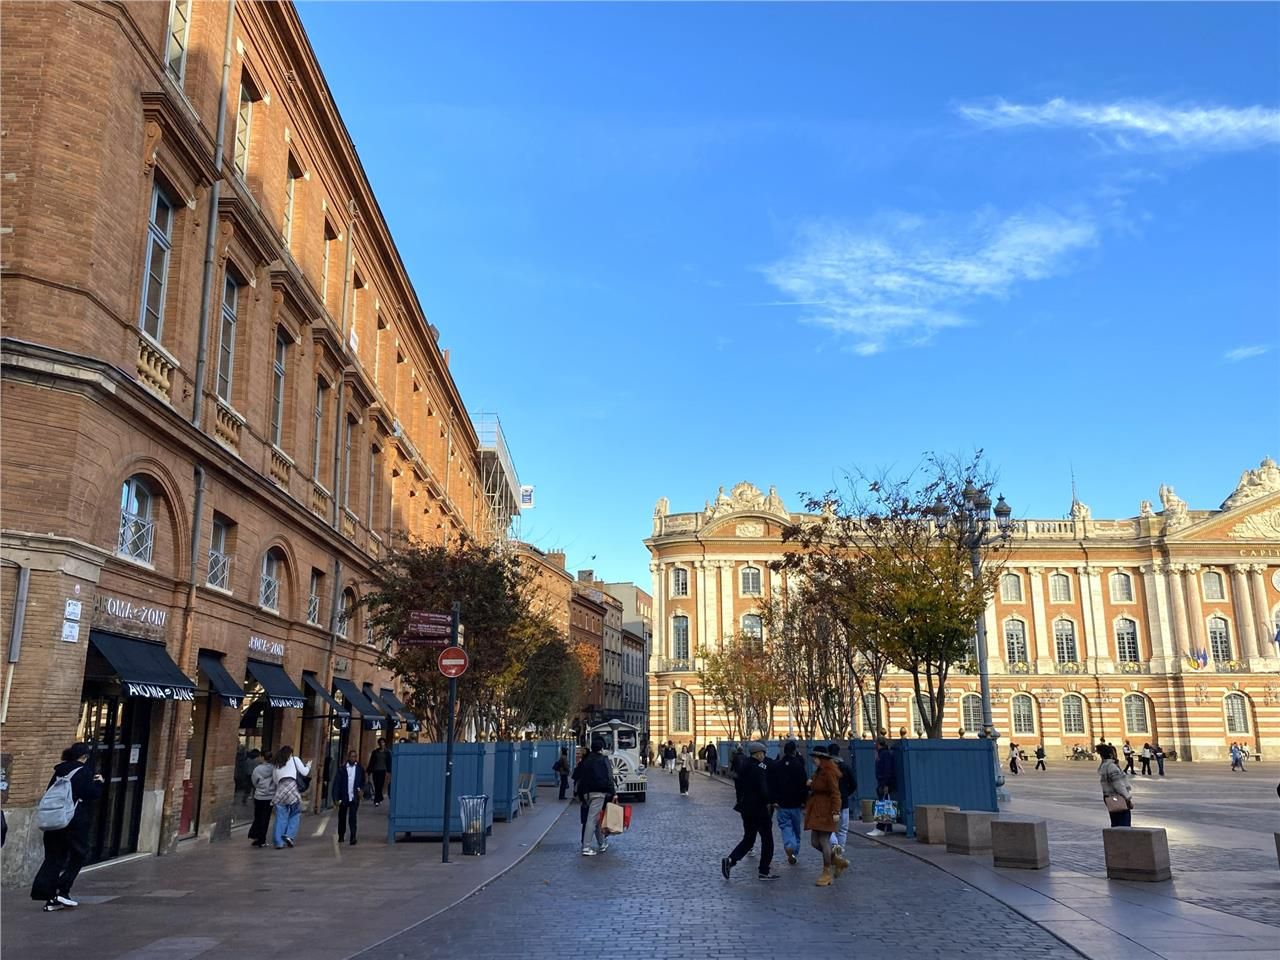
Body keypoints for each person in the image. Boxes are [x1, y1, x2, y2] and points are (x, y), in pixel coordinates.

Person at [30, 742, 102, 911]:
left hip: (54, 821)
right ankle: (63, 889)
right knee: (81, 854)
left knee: (54, 857)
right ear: (84, 757)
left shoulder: (59, 771)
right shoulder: (83, 771)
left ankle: (48, 895)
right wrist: (99, 783)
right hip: (73, 822)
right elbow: (91, 794)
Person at [720, 741, 777, 881]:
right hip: (759, 809)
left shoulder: (743, 766)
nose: (764, 756)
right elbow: (763, 790)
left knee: (749, 838)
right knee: (767, 840)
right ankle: (764, 870)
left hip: (745, 808)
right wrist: (771, 800)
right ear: (758, 754)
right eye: (763, 754)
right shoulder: (758, 769)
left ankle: (731, 860)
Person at [805, 746, 843, 886]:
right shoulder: (820, 772)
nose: (814, 760)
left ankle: (827, 871)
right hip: (818, 809)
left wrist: (835, 811)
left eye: (815, 758)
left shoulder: (829, 772)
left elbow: (835, 793)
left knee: (823, 840)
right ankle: (836, 861)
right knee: (815, 841)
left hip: (826, 810)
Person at [767, 740, 808, 865]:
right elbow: (803, 785)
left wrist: (773, 800)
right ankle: (794, 851)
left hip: (781, 804)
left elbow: (772, 784)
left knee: (785, 827)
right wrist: (804, 801)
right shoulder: (799, 765)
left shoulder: (777, 765)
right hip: (795, 803)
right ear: (795, 751)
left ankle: (789, 845)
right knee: (796, 830)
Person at [577, 738, 616, 856]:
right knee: (592, 819)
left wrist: (580, 795)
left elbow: (580, 778)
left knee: (597, 818)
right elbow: (609, 777)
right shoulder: (603, 759)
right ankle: (586, 847)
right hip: (598, 792)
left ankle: (602, 843)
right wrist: (613, 792)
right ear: (601, 749)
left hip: (586, 793)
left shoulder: (586, 760)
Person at [271, 746, 311, 849]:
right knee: (295, 814)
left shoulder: (277, 763)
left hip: (280, 790)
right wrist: (308, 766)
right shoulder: (295, 759)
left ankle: (278, 842)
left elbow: (275, 780)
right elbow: (305, 772)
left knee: (280, 817)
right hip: (292, 789)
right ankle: (289, 836)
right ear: (290, 753)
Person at [828, 743, 856, 861]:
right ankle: (840, 853)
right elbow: (854, 784)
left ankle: (834, 845)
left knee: (829, 828)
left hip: (829, 802)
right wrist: (846, 793)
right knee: (843, 829)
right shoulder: (845, 767)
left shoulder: (826, 768)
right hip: (843, 801)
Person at [330, 749, 365, 845]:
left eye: (355, 756)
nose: (353, 758)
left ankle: (353, 837)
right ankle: (341, 835)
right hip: (344, 796)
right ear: (348, 757)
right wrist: (335, 798)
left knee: (353, 818)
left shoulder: (360, 769)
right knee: (342, 817)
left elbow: (362, 781)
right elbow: (337, 784)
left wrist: (361, 790)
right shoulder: (342, 769)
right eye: (351, 756)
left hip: (354, 797)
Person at [1098, 743, 1133, 827]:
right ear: (1111, 754)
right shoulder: (1111, 767)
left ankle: (1115, 839)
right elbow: (1119, 785)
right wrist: (1127, 799)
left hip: (1110, 798)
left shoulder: (1104, 766)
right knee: (1123, 824)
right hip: (1118, 798)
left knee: (1115, 823)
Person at [248, 750, 276, 848]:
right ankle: (262, 839)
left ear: (263, 757)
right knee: (266, 818)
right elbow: (276, 781)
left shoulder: (257, 769)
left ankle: (256, 836)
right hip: (270, 797)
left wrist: (260, 787)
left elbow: (254, 781)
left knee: (258, 816)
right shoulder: (274, 769)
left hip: (259, 796)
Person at [870, 736, 896, 837]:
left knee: (883, 804)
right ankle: (885, 826)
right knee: (884, 803)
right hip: (883, 781)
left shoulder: (884, 754)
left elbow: (887, 770)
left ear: (878, 744)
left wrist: (885, 784)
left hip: (884, 782)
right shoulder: (884, 753)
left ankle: (880, 827)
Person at [368, 738, 391, 806]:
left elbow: (389, 762)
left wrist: (389, 771)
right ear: (379, 744)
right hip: (375, 770)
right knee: (376, 785)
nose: (382, 744)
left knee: (380, 785)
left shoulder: (387, 752)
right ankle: (379, 798)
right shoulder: (375, 752)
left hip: (382, 770)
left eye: (383, 742)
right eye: (380, 742)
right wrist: (369, 771)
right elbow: (371, 761)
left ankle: (377, 799)